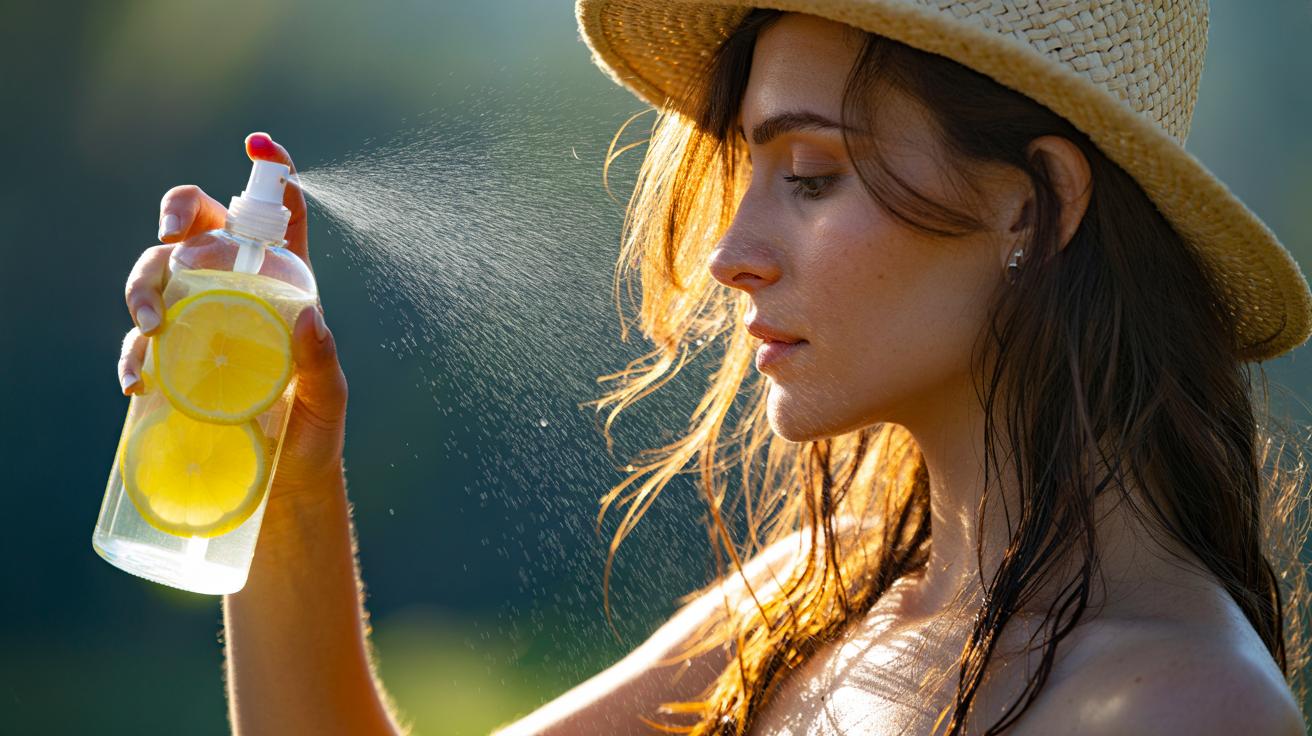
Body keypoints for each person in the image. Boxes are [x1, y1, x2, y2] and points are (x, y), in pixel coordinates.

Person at [116, 1, 1312, 734]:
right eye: (744, 173)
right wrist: (280, 470)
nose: (732, 254)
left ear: (1033, 207)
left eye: (808, 177)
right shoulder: (809, 601)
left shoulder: (1178, 711)